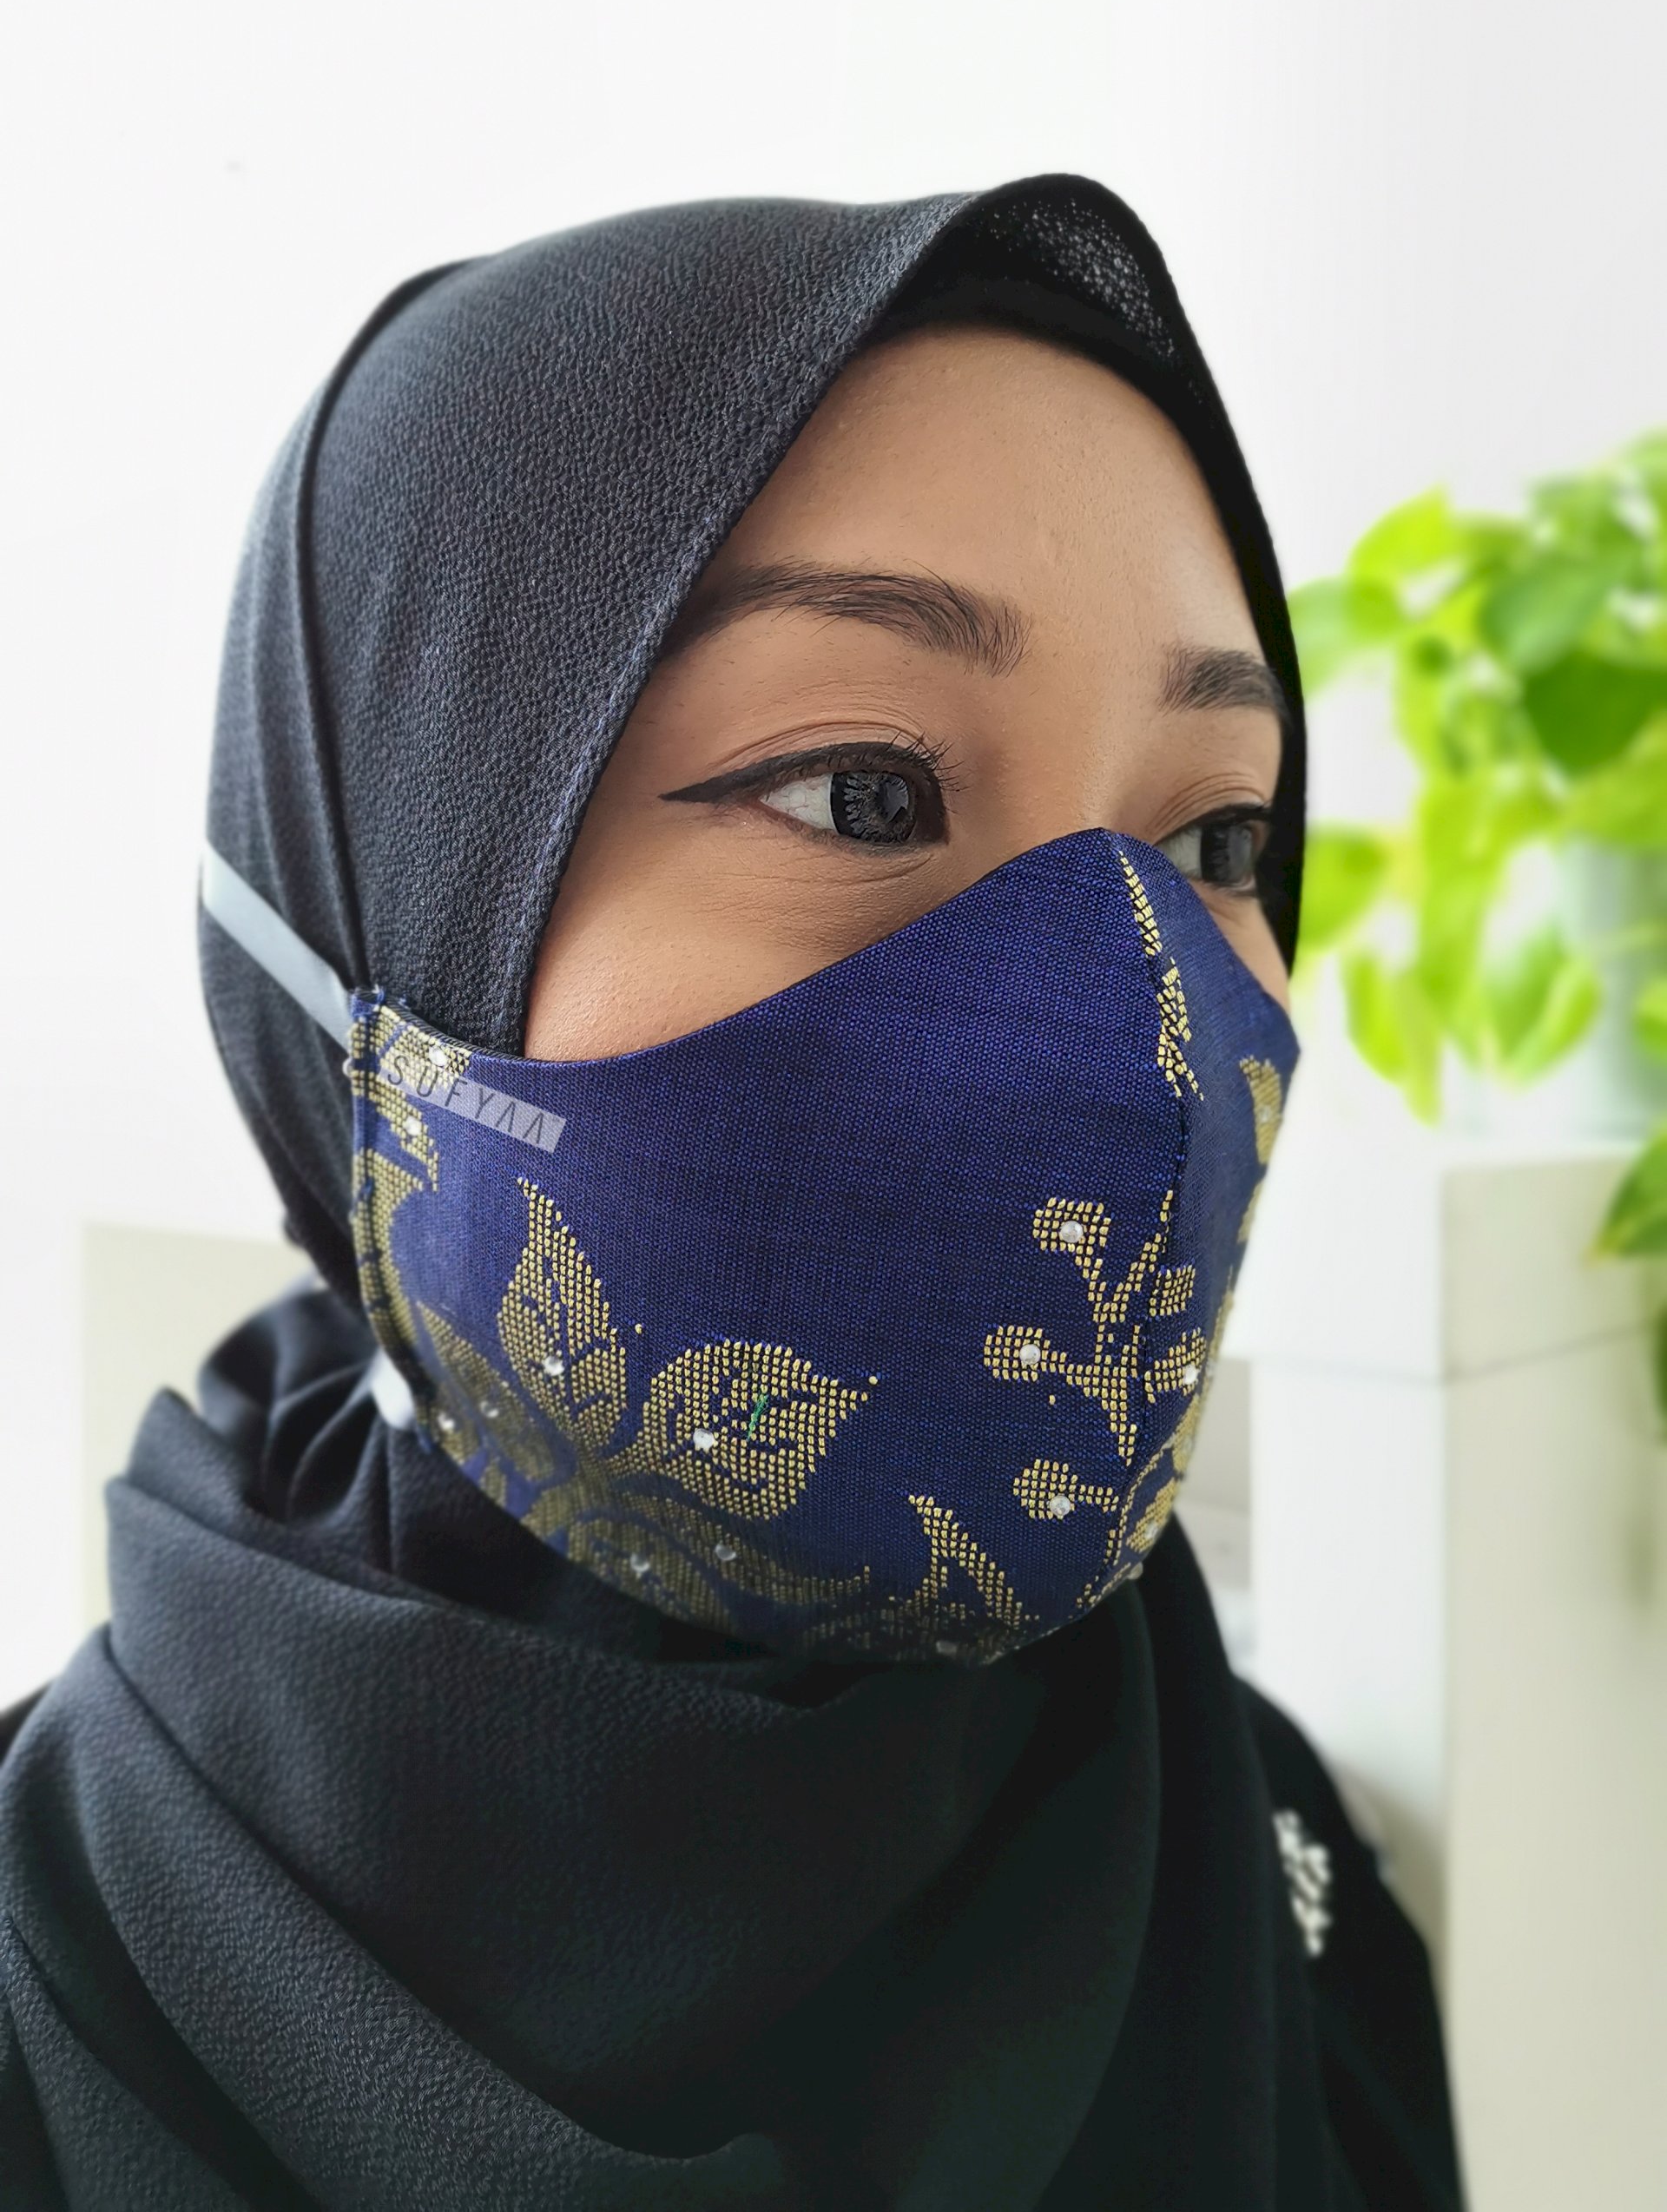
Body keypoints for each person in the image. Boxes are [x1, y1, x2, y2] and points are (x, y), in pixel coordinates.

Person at [0, 174, 1464, 2209]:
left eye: (1217, 839)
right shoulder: (48, 1987)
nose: (1129, 1022)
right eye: (867, 790)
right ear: (377, 896)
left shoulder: (1297, 1892)